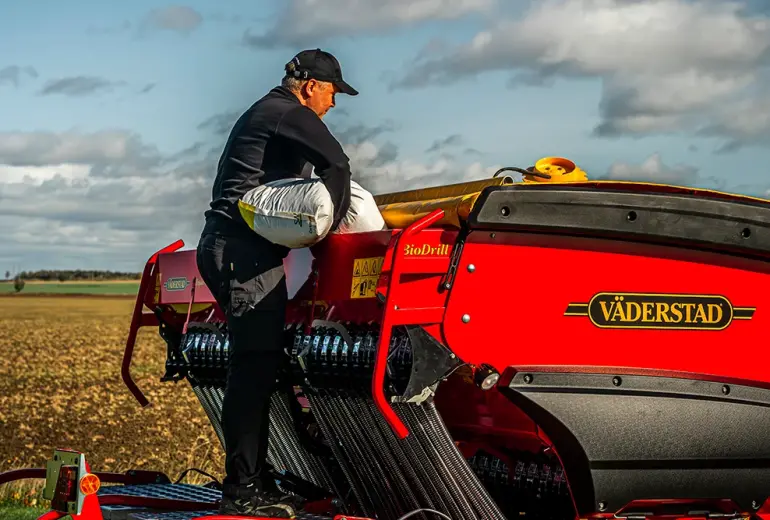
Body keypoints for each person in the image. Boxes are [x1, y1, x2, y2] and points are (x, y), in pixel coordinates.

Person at [196, 48, 358, 518]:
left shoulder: (264, 110)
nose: (333, 103)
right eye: (332, 93)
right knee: (253, 370)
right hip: (244, 255)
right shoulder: (289, 111)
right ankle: (244, 490)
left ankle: (257, 478)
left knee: (259, 366)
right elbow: (338, 165)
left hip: (229, 249)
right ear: (310, 86)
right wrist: (331, 231)